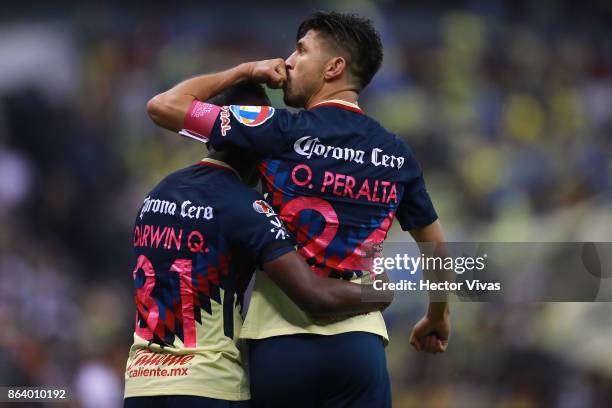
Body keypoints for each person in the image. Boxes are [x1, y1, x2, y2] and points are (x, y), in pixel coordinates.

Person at [147, 11, 451, 407]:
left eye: (301, 51)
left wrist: (244, 71)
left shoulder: (276, 129)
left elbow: (164, 106)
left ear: (334, 67)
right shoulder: (396, 154)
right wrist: (438, 315)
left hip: (279, 344)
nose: (289, 61)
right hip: (359, 348)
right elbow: (437, 249)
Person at [124, 83, 391, 408]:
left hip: (140, 386)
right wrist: (376, 293)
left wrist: (246, 72)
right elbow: (312, 295)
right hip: (210, 386)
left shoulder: (157, 194)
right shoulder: (246, 207)